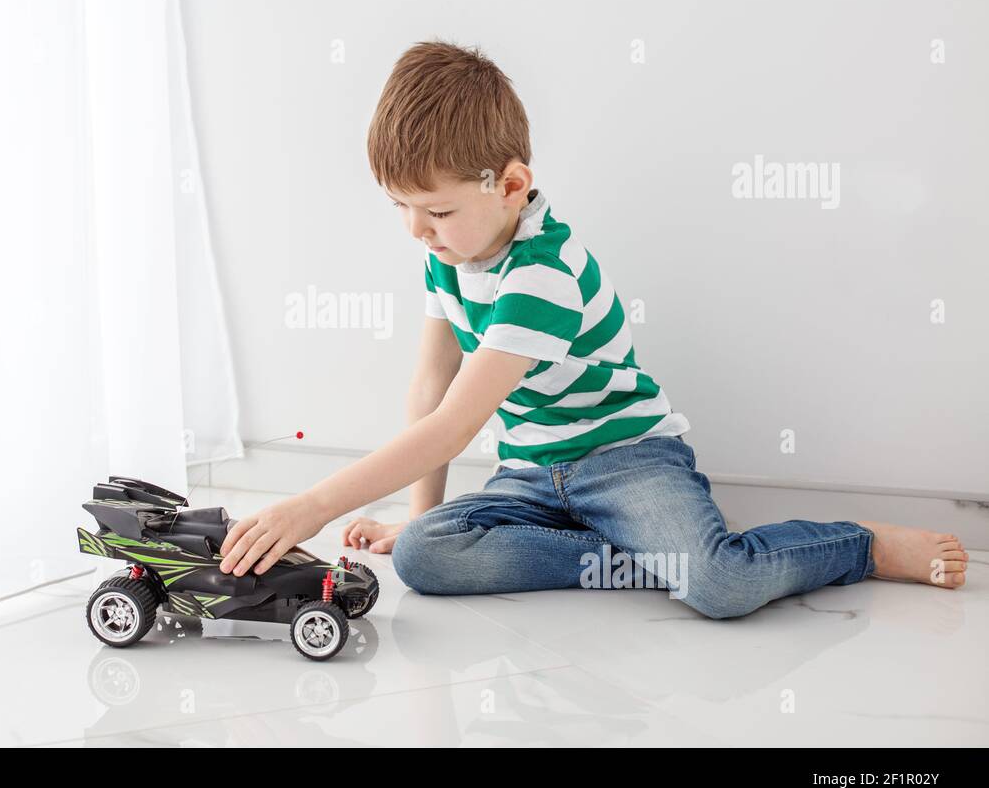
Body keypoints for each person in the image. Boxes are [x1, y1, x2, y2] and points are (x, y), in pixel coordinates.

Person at [216, 40, 968, 617]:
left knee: (719, 585)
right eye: (400, 209)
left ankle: (859, 546)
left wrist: (310, 505)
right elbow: (428, 388)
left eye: (436, 210)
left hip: (627, 461)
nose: (417, 230)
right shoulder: (449, 256)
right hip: (530, 477)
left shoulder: (543, 273)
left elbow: (451, 426)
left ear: (510, 185)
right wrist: (426, 515)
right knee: (424, 555)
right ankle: (643, 557)